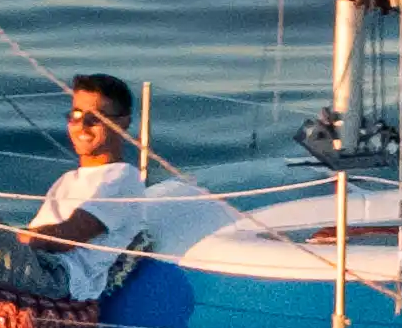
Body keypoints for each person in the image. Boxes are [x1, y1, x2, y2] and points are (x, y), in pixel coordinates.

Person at [16, 75, 239, 299]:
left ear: (122, 123)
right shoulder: (66, 180)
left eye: (95, 118)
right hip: (35, 261)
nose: (82, 126)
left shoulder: (122, 179)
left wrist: (9, 240)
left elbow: (68, 237)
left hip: (60, 275)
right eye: (76, 115)